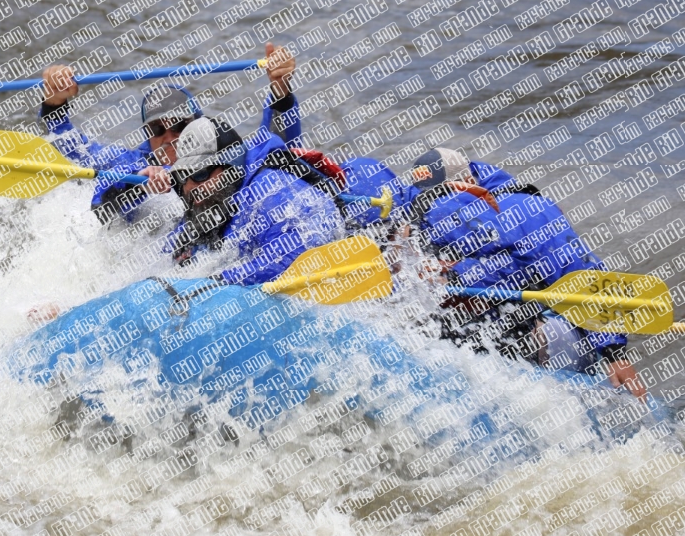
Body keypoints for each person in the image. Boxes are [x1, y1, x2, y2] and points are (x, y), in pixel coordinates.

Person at [393, 148, 645, 398]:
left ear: (468, 183)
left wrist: (615, 354)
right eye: (426, 199)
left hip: (551, 327)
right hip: (494, 323)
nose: (433, 208)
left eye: (441, 196)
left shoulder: (527, 211)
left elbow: (584, 274)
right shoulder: (428, 217)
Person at [40, 43, 301, 224]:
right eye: (157, 129)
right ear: (147, 136)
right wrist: (55, 104)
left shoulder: (228, 156)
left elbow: (276, 148)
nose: (170, 136)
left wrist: (281, 93)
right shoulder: (133, 165)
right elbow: (76, 153)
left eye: (179, 125)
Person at [163, 116, 342, 285]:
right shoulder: (207, 202)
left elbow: (292, 257)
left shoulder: (270, 194)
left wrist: (215, 282)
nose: (189, 186)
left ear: (231, 168)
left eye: (199, 174)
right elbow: (169, 252)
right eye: (182, 176)